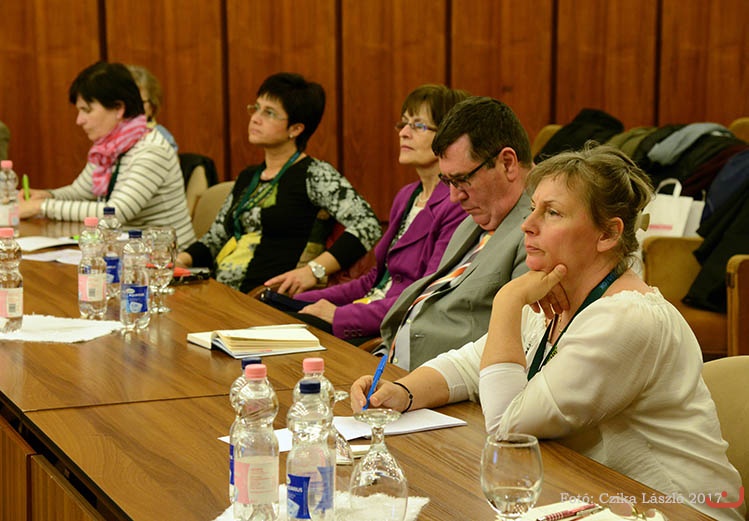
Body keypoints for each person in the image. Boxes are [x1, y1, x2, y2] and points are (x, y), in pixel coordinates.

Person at [352, 146, 744, 521]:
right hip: (594, 495)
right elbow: (473, 363)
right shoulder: (557, 293)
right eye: (533, 208)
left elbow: (508, 429)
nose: (528, 224)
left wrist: (507, 302)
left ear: (607, 234)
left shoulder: (628, 319)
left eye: (552, 212)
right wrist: (402, 393)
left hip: (677, 509)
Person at [288, 85, 469, 344]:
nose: (403, 133)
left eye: (418, 126)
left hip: (390, 332)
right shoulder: (407, 196)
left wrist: (340, 316)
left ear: (449, 137)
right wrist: (300, 300)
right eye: (403, 124)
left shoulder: (455, 204)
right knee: (279, 310)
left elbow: (425, 295)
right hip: (367, 311)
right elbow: (377, 280)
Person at [176, 72, 381, 292]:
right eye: (256, 108)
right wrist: (179, 261)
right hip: (221, 292)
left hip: (269, 298)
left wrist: (313, 270)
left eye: (269, 113)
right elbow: (215, 238)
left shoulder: (314, 174)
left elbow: (367, 225)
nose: (255, 118)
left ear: (295, 129)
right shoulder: (249, 177)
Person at [368, 96, 532, 370]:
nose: (454, 197)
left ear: (507, 163)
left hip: (444, 386)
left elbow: (518, 348)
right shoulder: (475, 219)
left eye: (462, 179)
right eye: (447, 181)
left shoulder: (538, 232)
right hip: (389, 363)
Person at [19, 61, 196, 250]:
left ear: (119, 108)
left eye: (86, 110)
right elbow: (80, 192)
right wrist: (47, 195)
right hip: (126, 250)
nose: (79, 120)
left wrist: (41, 207)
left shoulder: (151, 150)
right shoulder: (108, 148)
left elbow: (116, 212)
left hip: (168, 258)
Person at [127, 64, 178, 151]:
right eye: (127, 101)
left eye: (139, 102)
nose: (132, 107)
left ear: (152, 107)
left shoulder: (162, 138)